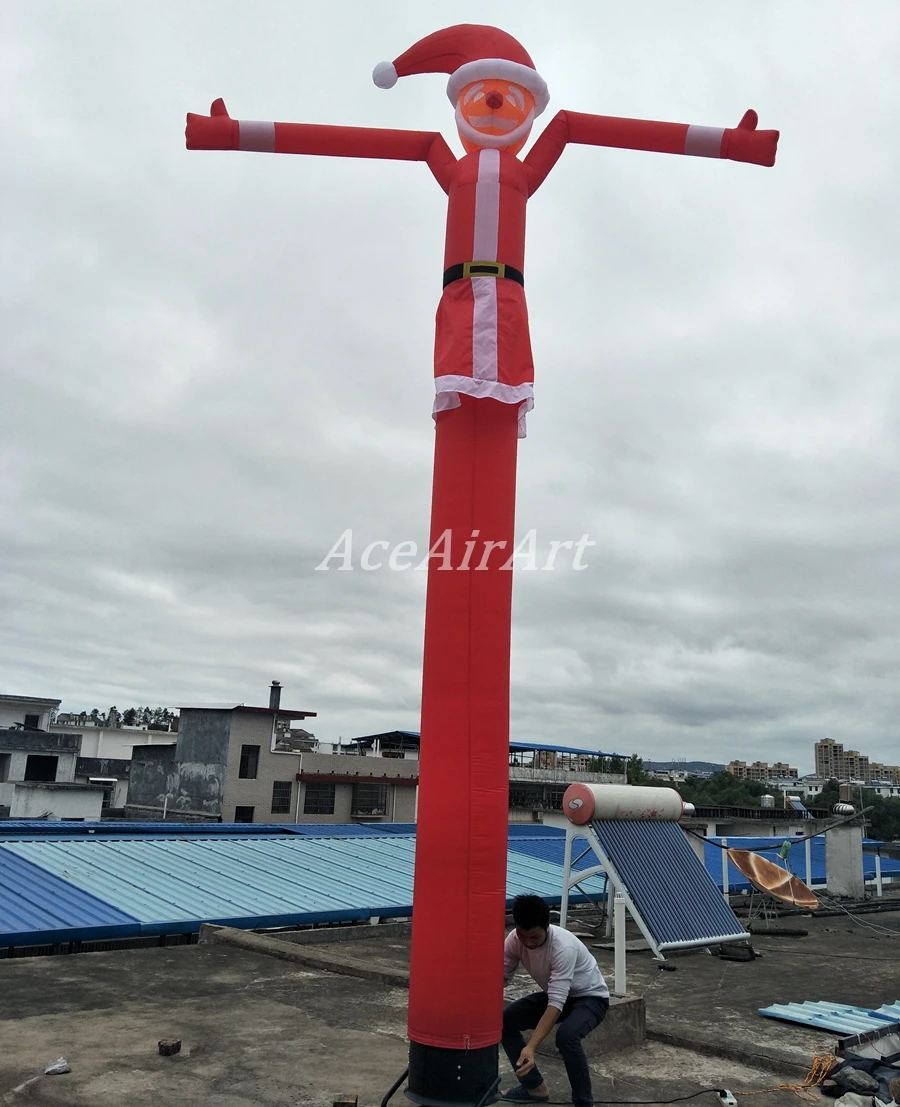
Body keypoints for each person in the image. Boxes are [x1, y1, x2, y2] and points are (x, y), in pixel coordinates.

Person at [500, 894, 609, 1106]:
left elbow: (556, 1003)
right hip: (560, 995)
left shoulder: (563, 947)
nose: (528, 943)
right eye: (523, 936)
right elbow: (499, 979)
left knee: (567, 1037)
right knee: (505, 1020)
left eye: (535, 938)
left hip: (591, 997)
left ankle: (583, 1103)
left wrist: (531, 1047)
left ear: (547, 927)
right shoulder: (514, 940)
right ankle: (534, 1088)